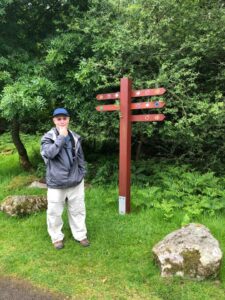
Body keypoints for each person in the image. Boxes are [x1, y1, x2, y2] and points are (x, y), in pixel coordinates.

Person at [40, 108, 90, 250]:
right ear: (54, 120)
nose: (62, 121)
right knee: (54, 212)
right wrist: (61, 137)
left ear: (68, 119)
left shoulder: (75, 137)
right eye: (58, 119)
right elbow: (49, 153)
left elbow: (80, 158)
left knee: (78, 209)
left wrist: (81, 173)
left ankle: (80, 235)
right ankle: (56, 237)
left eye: (64, 118)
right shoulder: (47, 137)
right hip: (56, 183)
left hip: (75, 181)